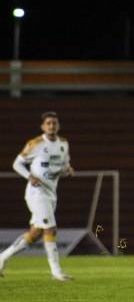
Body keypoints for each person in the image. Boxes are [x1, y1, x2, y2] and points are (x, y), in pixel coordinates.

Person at [0, 111, 74, 281]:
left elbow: (65, 164)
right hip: (36, 193)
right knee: (50, 229)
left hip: (51, 193)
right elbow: (17, 163)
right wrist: (29, 176)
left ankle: (2, 257)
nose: (51, 126)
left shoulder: (64, 143)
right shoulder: (35, 143)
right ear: (43, 127)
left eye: (54, 123)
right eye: (48, 123)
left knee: (34, 234)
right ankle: (56, 272)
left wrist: (68, 170)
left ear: (58, 125)